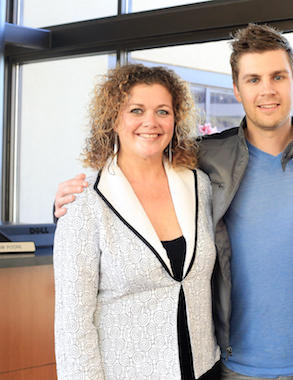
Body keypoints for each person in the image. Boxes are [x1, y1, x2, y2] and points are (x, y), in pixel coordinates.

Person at [54, 25, 293, 379]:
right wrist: (67, 206)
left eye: (278, 76)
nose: (267, 90)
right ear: (237, 90)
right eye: (253, 79)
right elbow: (74, 318)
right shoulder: (207, 159)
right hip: (232, 365)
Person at [53, 64, 220, 380]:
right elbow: (73, 322)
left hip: (204, 368)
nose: (151, 122)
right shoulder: (85, 201)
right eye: (136, 110)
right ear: (114, 119)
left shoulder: (201, 186)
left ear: (176, 119)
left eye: (162, 111)